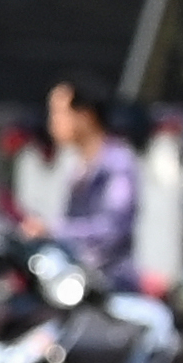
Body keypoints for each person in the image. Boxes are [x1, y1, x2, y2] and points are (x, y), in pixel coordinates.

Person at [42, 81, 144, 278]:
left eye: (59, 113)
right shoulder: (78, 164)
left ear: (85, 116)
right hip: (77, 280)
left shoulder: (117, 164)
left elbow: (113, 229)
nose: (52, 122)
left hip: (111, 286)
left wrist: (53, 231)